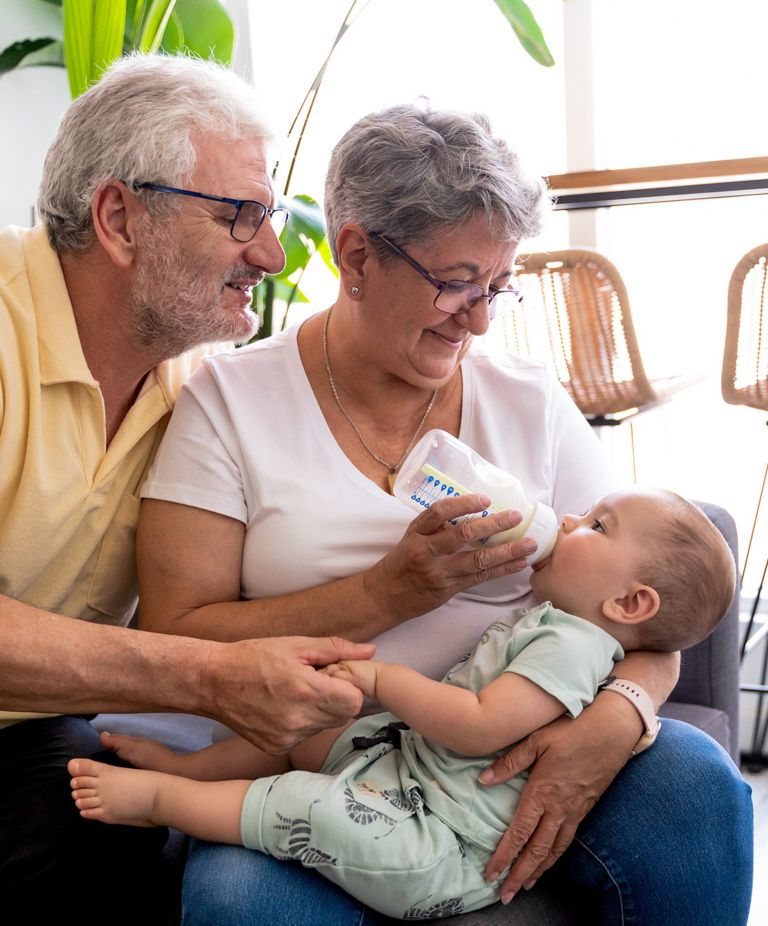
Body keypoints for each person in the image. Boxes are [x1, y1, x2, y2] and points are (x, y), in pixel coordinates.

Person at [132, 103, 753, 924]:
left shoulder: (526, 400)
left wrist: (615, 720)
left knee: (697, 789)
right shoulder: (231, 401)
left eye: (500, 287)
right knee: (242, 902)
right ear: (355, 254)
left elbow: (652, 612)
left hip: (499, 768)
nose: (483, 317)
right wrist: (386, 595)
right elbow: (175, 638)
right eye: (458, 284)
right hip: (324, 764)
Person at [0, 53, 376, 925]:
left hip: (22, 735)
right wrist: (206, 676)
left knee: (99, 815)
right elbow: (205, 659)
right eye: (241, 214)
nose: (275, 254)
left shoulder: (199, 389)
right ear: (121, 218)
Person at [69, 486, 738, 920]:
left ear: (628, 603)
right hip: (413, 763)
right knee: (303, 729)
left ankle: (158, 799)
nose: (566, 519)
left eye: (596, 525)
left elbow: (479, 728)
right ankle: (189, 765)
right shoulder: (561, 620)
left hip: (435, 833)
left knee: (301, 804)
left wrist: (383, 681)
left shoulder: (574, 645)